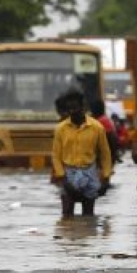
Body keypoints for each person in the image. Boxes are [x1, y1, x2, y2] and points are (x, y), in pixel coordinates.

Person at [51, 89, 113, 217]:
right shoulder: (60, 129)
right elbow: (56, 156)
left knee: (88, 216)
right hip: (68, 174)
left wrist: (106, 178)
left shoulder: (97, 128)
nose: (72, 112)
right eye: (69, 109)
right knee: (67, 214)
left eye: (75, 108)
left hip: (89, 173)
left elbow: (105, 155)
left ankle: (88, 236)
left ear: (82, 106)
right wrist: (63, 178)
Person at [90, 99, 122, 163]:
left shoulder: (102, 121)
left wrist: (113, 154)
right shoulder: (104, 119)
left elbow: (112, 137)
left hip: (105, 156)